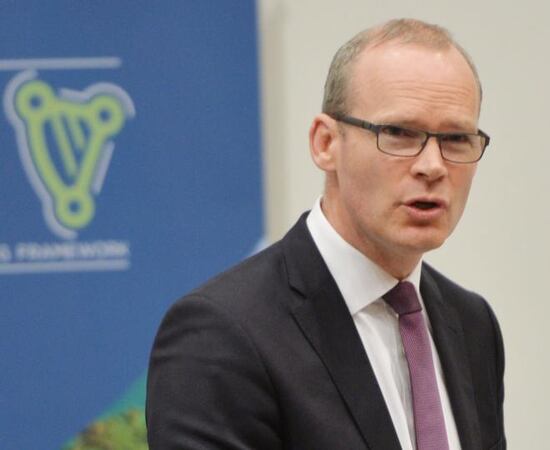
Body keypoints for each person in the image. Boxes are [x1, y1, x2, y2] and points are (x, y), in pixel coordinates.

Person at [146, 18, 505, 450]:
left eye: (456, 139)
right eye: (399, 133)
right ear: (325, 143)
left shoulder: (472, 324)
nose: (432, 165)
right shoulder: (223, 333)